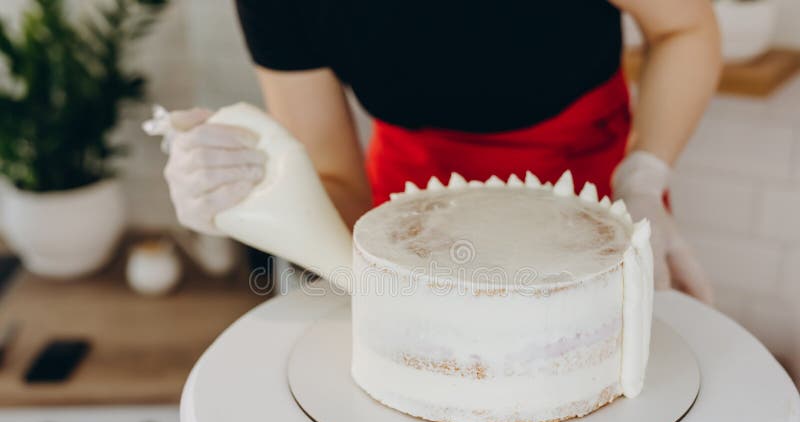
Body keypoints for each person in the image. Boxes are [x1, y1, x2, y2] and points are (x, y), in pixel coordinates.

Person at [162, 1, 720, 303]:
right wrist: (255, 192)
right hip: (414, 202)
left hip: (591, 189)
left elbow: (685, 28)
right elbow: (336, 180)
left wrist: (644, 175)